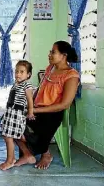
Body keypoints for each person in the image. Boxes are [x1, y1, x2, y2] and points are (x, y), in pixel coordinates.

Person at [13, 41, 80, 170]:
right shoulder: (50, 68)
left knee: (26, 127)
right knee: (9, 122)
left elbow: (64, 105)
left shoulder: (71, 75)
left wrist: (36, 110)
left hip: (53, 112)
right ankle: (27, 154)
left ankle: (45, 154)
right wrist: (29, 101)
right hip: (37, 108)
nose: (49, 54)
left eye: (53, 52)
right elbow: (40, 89)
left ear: (63, 55)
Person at [0, 60, 34, 171]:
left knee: (9, 137)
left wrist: (30, 111)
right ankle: (11, 158)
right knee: (6, 135)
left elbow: (29, 100)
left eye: (22, 72)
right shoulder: (16, 84)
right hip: (10, 113)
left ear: (28, 75)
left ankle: (10, 161)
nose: (18, 74)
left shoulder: (26, 85)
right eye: (17, 71)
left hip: (17, 114)